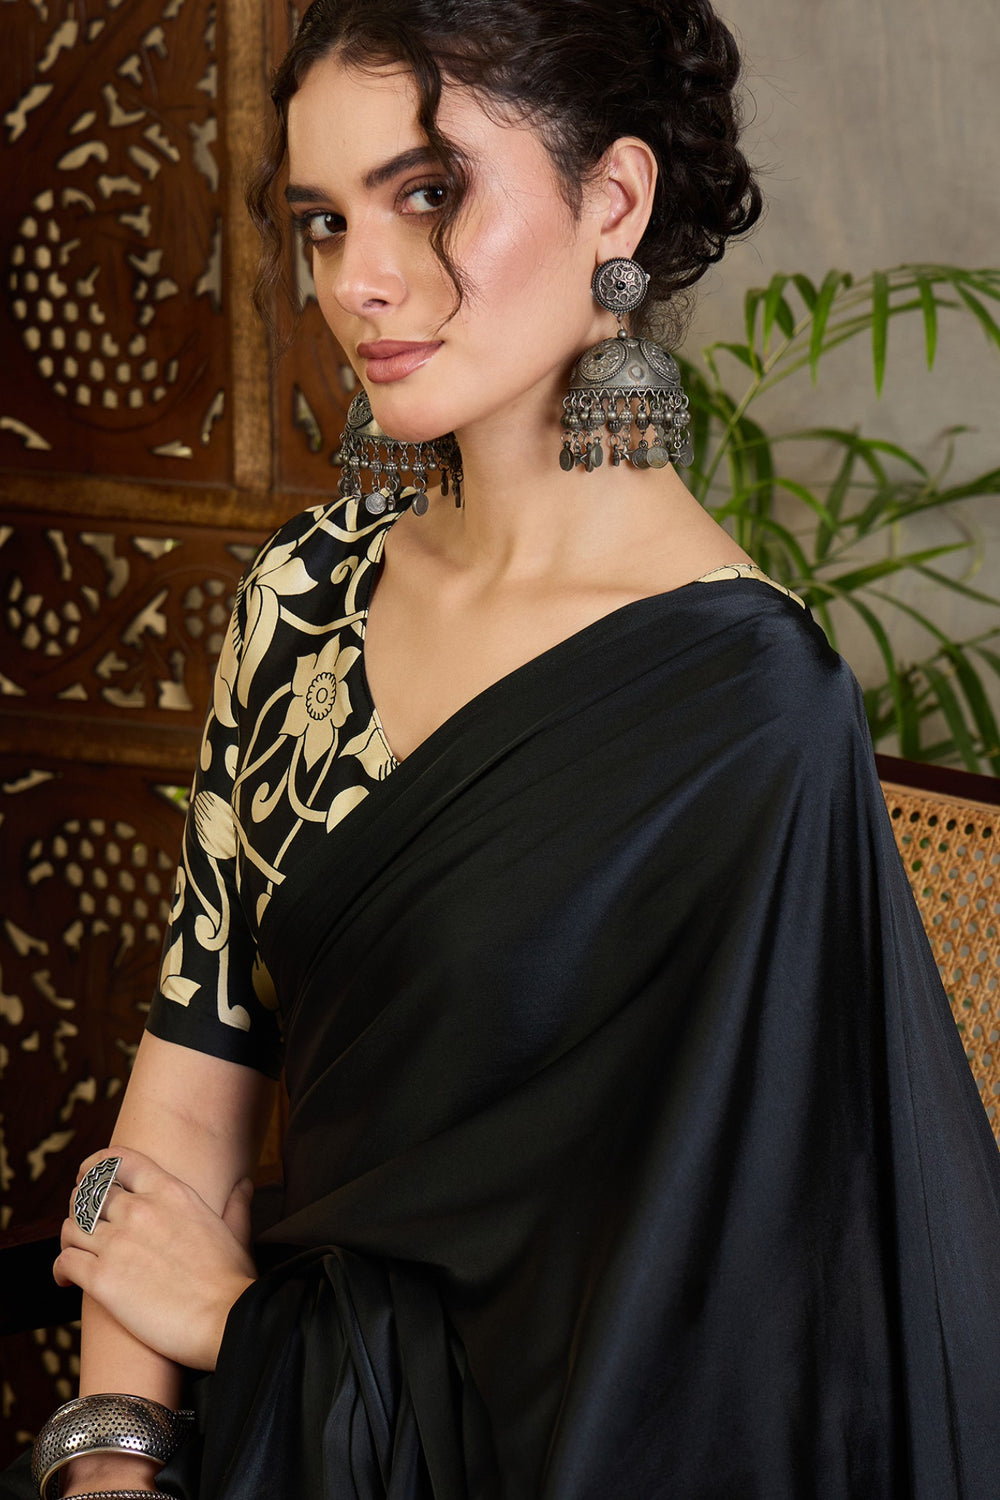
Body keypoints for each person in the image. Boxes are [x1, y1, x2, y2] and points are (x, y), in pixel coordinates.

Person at [8, 0, 1000, 1496]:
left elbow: (701, 1369)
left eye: (428, 196)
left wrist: (242, 1328)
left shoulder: (743, 710)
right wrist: (111, 1465)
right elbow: (184, 1115)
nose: (360, 280)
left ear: (615, 201)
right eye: (323, 221)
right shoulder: (306, 597)